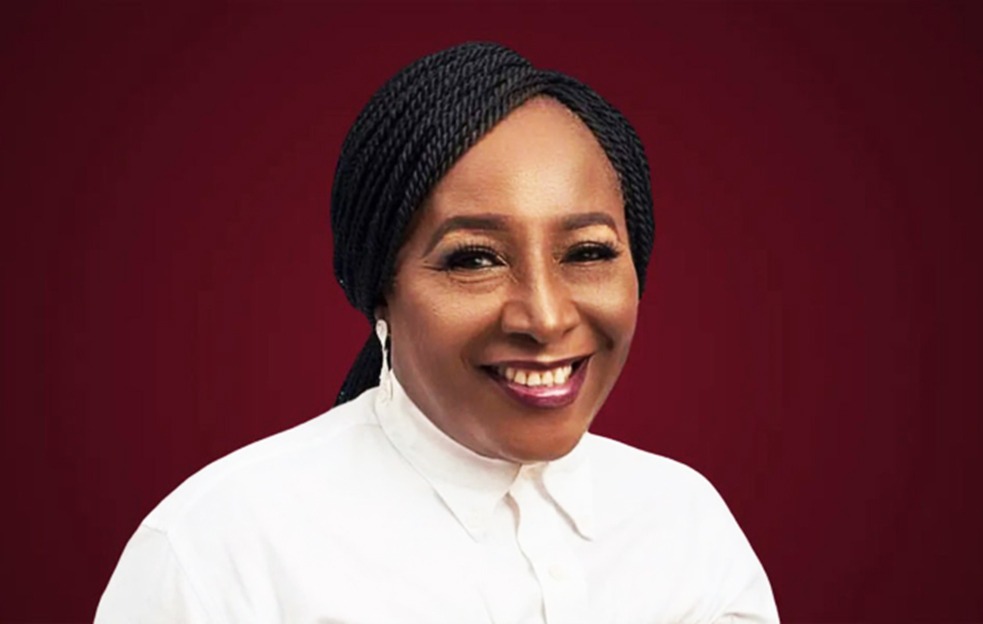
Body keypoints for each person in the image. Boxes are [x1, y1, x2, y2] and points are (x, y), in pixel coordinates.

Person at [96, 42, 779, 623]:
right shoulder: (218, 549)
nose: (545, 317)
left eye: (588, 252)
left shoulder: (684, 524)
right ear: (381, 289)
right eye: (474, 260)